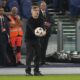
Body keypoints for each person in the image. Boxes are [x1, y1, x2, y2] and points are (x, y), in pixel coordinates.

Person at [25, 2, 44, 76]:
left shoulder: (41, 19)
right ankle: (28, 71)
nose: (37, 12)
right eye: (35, 11)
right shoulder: (29, 20)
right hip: (29, 39)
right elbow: (34, 30)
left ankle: (36, 71)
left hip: (36, 39)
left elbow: (42, 28)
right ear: (32, 12)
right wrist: (40, 33)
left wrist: (44, 32)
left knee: (38, 55)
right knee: (30, 55)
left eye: (38, 11)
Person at [39, 1, 51, 65]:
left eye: (45, 6)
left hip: (47, 33)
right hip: (41, 33)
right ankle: (40, 60)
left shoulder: (47, 13)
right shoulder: (38, 13)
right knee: (41, 47)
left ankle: (43, 61)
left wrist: (49, 24)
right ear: (40, 6)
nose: (44, 7)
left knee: (45, 47)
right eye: (42, 5)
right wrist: (44, 23)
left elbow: (51, 21)